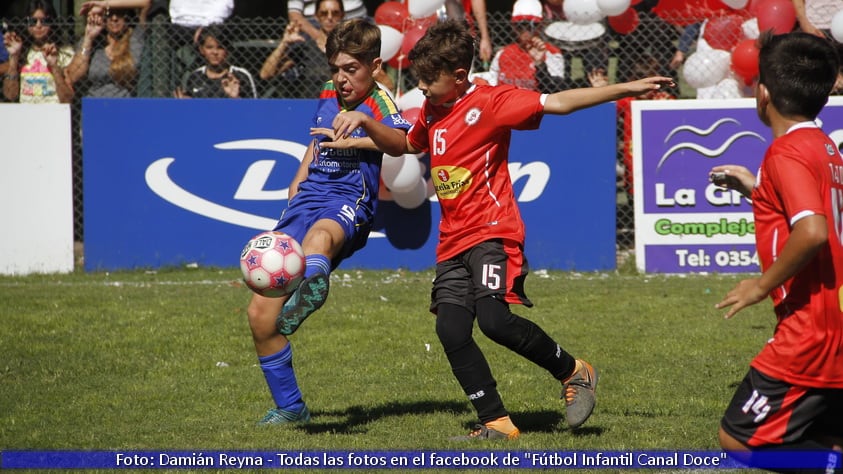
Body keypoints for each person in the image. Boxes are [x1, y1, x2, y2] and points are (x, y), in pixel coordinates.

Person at [326, 18, 673, 439]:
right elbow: (405, 145)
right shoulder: (435, 108)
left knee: (494, 321)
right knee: (450, 329)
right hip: (453, 239)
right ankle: (496, 422)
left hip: (493, 231)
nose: (420, 88)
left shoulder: (493, 102)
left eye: (428, 80)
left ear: (458, 76)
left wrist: (624, 88)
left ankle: (574, 371)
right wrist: (363, 129)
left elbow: (559, 103)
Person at [247, 18, 410, 425]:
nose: (340, 78)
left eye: (350, 69)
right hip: (306, 199)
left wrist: (363, 126)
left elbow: (403, 143)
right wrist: (297, 181)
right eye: (335, 69)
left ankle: (314, 288)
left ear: (374, 66)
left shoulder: (381, 103)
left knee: (320, 237)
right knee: (259, 316)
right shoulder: (327, 93)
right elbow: (317, 142)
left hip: (347, 201)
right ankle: (291, 407)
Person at [710, 32, 843, 467]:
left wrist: (759, 286)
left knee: (740, 440)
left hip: (809, 330)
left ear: (763, 93)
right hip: (833, 320)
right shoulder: (825, 148)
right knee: (825, 436)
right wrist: (757, 188)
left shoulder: (786, 152)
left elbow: (813, 232)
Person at [260, 0, 344, 99]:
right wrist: (284, 43)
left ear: (342, 15)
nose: (329, 18)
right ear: (316, 16)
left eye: (335, 13)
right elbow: (265, 74)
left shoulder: (349, 48)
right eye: (323, 13)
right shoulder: (304, 47)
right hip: (309, 104)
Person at [67, 0, 151, 97]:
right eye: (109, 14)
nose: (114, 18)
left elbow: (146, 3)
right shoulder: (93, 42)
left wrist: (104, 5)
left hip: (125, 107)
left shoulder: (135, 38)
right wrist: (88, 38)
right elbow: (73, 76)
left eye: (120, 13)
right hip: (95, 106)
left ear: (128, 16)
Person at [2, 0, 74, 104]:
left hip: (54, 114)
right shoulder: (22, 52)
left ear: (52, 22)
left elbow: (67, 98)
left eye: (44, 21)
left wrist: (54, 66)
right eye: (33, 21)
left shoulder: (65, 52)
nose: (38, 25)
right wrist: (14, 58)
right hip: (27, 114)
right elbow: (10, 95)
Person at [487, 0, 565, 93]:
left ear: (540, 26)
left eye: (531, 25)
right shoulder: (503, 53)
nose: (525, 31)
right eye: (520, 25)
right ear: (513, 27)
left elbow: (556, 91)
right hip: (508, 105)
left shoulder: (552, 53)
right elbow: (491, 85)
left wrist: (540, 64)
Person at [174, 24, 257, 98]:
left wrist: (235, 98)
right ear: (201, 50)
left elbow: (253, 110)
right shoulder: (195, 77)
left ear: (227, 50)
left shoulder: (241, 76)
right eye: (209, 47)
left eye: (220, 47)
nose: (215, 52)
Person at [287, 0, 366, 49]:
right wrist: (320, 38)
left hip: (359, 24)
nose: (330, 17)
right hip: (315, 28)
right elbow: (294, 15)